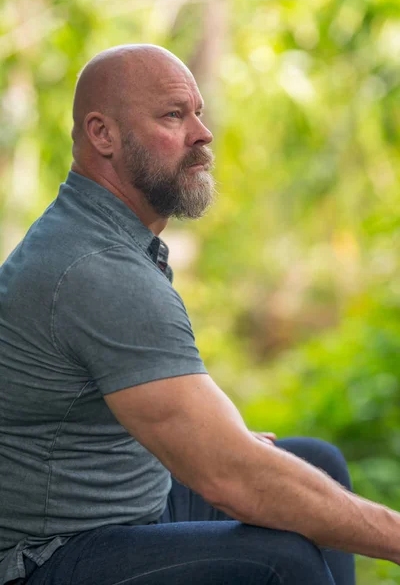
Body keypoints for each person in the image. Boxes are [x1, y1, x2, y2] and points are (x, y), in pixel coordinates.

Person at [0, 44, 396, 585]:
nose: (202, 133)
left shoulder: (106, 236)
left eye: (198, 113)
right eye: (173, 115)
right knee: (283, 564)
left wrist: (222, 445)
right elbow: (230, 479)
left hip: (131, 505)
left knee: (315, 462)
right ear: (102, 135)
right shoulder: (96, 270)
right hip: (47, 556)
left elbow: (152, 403)